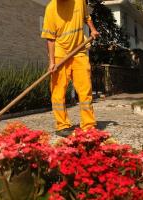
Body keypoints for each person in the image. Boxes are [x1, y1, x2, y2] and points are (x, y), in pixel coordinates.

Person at [41, 0, 100, 137]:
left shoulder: (79, 1)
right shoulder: (51, 8)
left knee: (85, 90)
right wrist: (52, 62)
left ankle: (88, 125)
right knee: (58, 91)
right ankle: (62, 125)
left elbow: (87, 17)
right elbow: (50, 38)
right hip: (60, 53)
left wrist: (93, 29)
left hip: (79, 50)